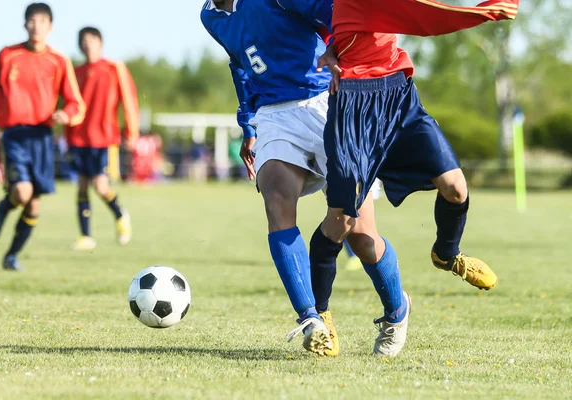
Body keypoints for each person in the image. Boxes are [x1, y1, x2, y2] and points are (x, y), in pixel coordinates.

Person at [313, 0, 518, 356]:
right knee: (343, 221)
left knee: (455, 187)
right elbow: (429, 18)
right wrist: (489, 10)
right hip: (352, 105)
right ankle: (320, 316)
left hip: (397, 94)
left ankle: (447, 254)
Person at [201, 0, 396, 357]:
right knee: (275, 197)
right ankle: (312, 319)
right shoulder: (209, 17)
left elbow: (334, 16)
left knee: (362, 235)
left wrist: (341, 56)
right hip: (274, 115)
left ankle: (396, 309)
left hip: (328, 101)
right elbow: (240, 65)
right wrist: (248, 124)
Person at [0, 2, 85, 271]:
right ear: (25, 24)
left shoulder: (59, 61)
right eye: (32, 21)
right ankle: (4, 207)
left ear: (50, 27)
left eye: (42, 22)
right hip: (14, 134)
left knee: (34, 206)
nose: (36, 26)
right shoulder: (7, 55)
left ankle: (11, 256)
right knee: (22, 192)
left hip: (42, 137)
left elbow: (75, 102)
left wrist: (65, 115)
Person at [66, 27, 139, 251]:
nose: (88, 44)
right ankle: (86, 236)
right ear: (80, 45)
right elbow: (69, 104)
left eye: (92, 40)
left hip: (104, 138)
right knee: (81, 186)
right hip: (78, 138)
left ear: (100, 42)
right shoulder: (74, 72)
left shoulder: (114, 68)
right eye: (84, 41)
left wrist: (131, 132)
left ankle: (120, 214)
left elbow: (129, 99)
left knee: (100, 186)